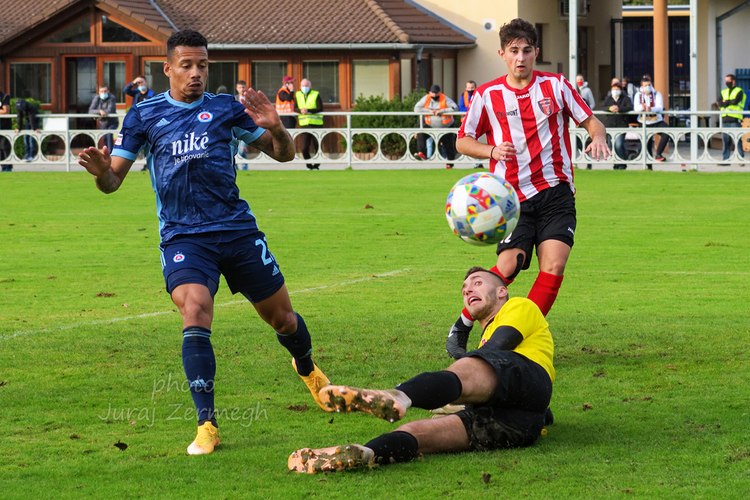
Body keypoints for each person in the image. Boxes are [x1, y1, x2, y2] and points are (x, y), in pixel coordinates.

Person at [77, 29, 332, 456]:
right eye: (187, 65)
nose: (196, 74)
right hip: (183, 235)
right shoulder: (144, 113)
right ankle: (206, 424)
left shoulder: (226, 109)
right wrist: (102, 170)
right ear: (168, 69)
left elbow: (283, 154)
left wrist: (278, 128)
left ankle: (307, 369)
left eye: (202, 66)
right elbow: (112, 182)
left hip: (236, 230)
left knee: (284, 320)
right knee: (195, 308)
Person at [446, 18, 610, 359]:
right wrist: (491, 151)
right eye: (514, 51)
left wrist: (597, 138)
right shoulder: (486, 95)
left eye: (527, 50)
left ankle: (510, 338)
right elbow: (462, 141)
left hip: (555, 192)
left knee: (553, 266)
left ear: (536, 52)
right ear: (502, 54)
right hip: (510, 200)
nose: (521, 58)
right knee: (507, 268)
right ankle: (462, 324)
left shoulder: (557, 86)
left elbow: (591, 121)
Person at [288, 267, 554, 473]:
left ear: (501, 292)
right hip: (521, 425)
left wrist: (457, 382)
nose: (467, 290)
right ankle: (365, 453)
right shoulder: (486, 343)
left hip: (531, 380)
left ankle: (398, 396)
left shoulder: (519, 306)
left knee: (469, 367)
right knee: (419, 433)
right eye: (463, 288)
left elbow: (499, 348)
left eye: (477, 283)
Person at [414, 84, 459, 168]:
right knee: (420, 133)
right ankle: (422, 153)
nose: (434, 95)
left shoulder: (445, 99)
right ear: (430, 93)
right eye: (433, 93)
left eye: (436, 93)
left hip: (446, 126)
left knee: (448, 144)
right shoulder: (426, 98)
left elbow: (455, 108)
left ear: (440, 93)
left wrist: (441, 111)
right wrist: (429, 111)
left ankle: (450, 164)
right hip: (430, 125)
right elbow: (416, 108)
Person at [633, 76, 670, 166]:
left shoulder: (657, 94)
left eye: (649, 85)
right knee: (647, 143)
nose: (648, 87)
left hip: (656, 121)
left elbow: (660, 107)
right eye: (645, 85)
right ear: (641, 87)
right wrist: (643, 107)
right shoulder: (638, 95)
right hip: (643, 122)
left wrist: (651, 109)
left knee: (667, 132)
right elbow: (636, 108)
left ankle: (658, 153)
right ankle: (649, 167)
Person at [600, 82, 633, 170]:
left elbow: (630, 107)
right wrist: (610, 108)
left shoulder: (625, 98)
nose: (615, 91)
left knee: (619, 144)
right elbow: (603, 107)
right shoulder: (608, 99)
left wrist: (619, 109)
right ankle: (616, 163)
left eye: (617, 89)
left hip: (621, 125)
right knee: (611, 145)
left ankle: (622, 162)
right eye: (613, 89)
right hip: (610, 125)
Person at [294, 78, 323, 170]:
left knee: (318, 147)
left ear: (310, 86)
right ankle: (308, 165)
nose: (304, 87)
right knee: (304, 147)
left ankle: (316, 166)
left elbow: (320, 108)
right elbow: (295, 108)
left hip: (316, 124)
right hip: (304, 125)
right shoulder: (297, 95)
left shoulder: (316, 94)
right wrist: (300, 110)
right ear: (300, 87)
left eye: (306, 85)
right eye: (303, 86)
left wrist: (308, 110)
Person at [718, 74, 746, 162]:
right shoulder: (723, 92)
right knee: (726, 141)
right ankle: (725, 160)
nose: (727, 83)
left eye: (728, 81)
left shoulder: (739, 91)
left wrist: (725, 102)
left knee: (737, 140)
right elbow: (719, 103)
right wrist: (727, 102)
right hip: (725, 118)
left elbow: (735, 101)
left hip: (735, 119)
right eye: (726, 81)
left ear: (733, 81)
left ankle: (740, 159)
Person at [458, 80, 483, 168]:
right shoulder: (463, 95)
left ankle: (476, 163)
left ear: (475, 88)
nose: (470, 89)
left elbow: (480, 107)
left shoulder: (478, 95)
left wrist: (469, 109)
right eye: (469, 88)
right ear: (466, 88)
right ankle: (469, 162)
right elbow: (461, 108)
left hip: (476, 122)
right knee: (466, 142)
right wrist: (472, 108)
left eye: (472, 88)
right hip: (465, 123)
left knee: (476, 143)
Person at [88, 84, 119, 153]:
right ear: (99, 92)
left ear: (108, 91)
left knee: (109, 135)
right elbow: (90, 111)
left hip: (113, 122)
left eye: (105, 91)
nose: (103, 93)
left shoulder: (112, 97)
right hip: (103, 123)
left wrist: (97, 114)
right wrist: (99, 111)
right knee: (104, 137)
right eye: (101, 91)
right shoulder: (97, 98)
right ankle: (106, 153)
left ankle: (111, 154)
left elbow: (110, 110)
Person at [234, 80, 249, 162]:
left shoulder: (250, 99)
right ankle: (242, 168)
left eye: (243, 87)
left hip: (246, 127)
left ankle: (243, 167)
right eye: (240, 88)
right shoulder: (234, 99)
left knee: (242, 150)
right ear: (237, 88)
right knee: (235, 150)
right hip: (236, 127)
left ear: (246, 88)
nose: (242, 89)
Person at [0, 88, 12, 171]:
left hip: (4, 126)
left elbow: (6, 111)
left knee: (4, 146)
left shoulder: (4, 97)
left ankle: (7, 167)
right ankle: (3, 166)